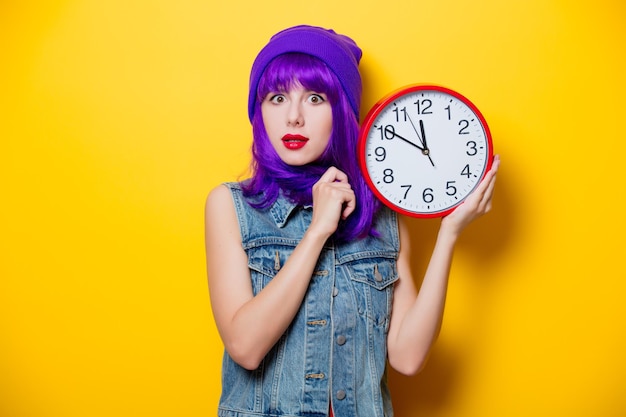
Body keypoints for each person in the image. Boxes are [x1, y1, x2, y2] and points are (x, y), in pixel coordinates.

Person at [205, 25, 499, 417]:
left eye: (314, 98)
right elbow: (245, 347)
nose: (293, 117)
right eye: (277, 98)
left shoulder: (384, 213)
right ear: (259, 112)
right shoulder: (233, 205)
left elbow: (408, 357)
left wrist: (449, 233)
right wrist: (318, 231)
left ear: (342, 110)